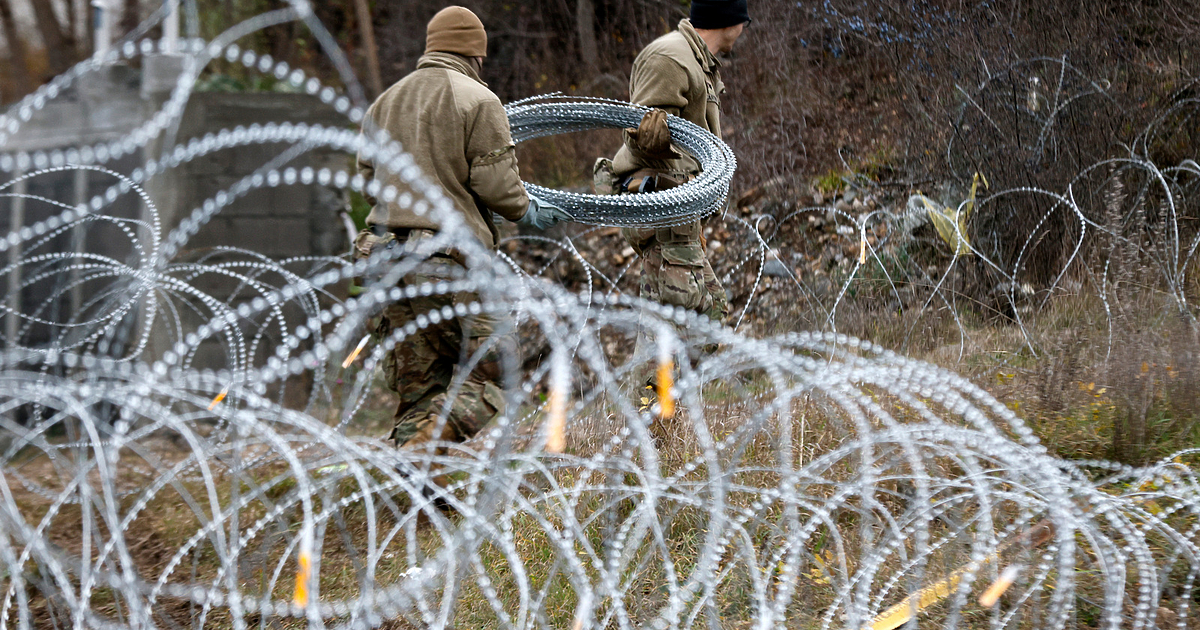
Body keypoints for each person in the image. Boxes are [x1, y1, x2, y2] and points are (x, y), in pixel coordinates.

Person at [354, 6, 570, 479]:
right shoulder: (476, 98)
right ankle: (420, 452)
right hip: (446, 261)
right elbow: (497, 187)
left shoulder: (384, 103)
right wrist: (529, 211)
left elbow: (369, 180)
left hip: (385, 259)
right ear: (475, 51)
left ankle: (414, 492)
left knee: (420, 386)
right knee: (499, 364)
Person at [596, 0, 750, 325]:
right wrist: (653, 135)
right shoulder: (670, 59)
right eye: (743, 19)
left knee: (709, 316)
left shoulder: (697, 61)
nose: (745, 27)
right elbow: (639, 135)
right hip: (664, 213)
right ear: (729, 20)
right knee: (673, 334)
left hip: (681, 217)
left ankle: (668, 378)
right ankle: (657, 380)